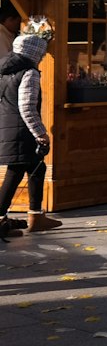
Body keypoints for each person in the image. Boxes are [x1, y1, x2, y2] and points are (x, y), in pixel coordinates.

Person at [0, 26, 57, 237]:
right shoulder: (29, 72)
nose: (42, 57)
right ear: (34, 53)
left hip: (9, 129)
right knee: (16, 173)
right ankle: (25, 218)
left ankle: (35, 216)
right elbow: (26, 107)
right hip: (22, 131)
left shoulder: (5, 70)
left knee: (35, 169)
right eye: (41, 54)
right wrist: (41, 133)